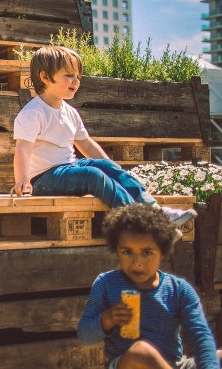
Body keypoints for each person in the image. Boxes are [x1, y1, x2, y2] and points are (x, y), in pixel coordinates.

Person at [11, 46, 197, 225]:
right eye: (69, 75)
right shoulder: (33, 113)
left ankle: (156, 211)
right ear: (44, 76)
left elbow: (88, 145)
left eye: (78, 76)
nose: (76, 81)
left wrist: (110, 169)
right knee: (91, 175)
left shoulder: (70, 112)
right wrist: (22, 180)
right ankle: (141, 219)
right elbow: (23, 149)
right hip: (43, 179)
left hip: (68, 168)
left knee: (105, 166)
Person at [78, 203, 221, 368]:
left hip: (173, 365)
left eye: (147, 253)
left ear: (162, 253)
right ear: (116, 251)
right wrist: (108, 318)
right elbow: (85, 335)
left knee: (217, 356)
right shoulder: (106, 284)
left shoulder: (179, 290)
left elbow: (200, 337)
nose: (137, 262)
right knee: (141, 352)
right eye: (127, 252)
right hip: (129, 364)